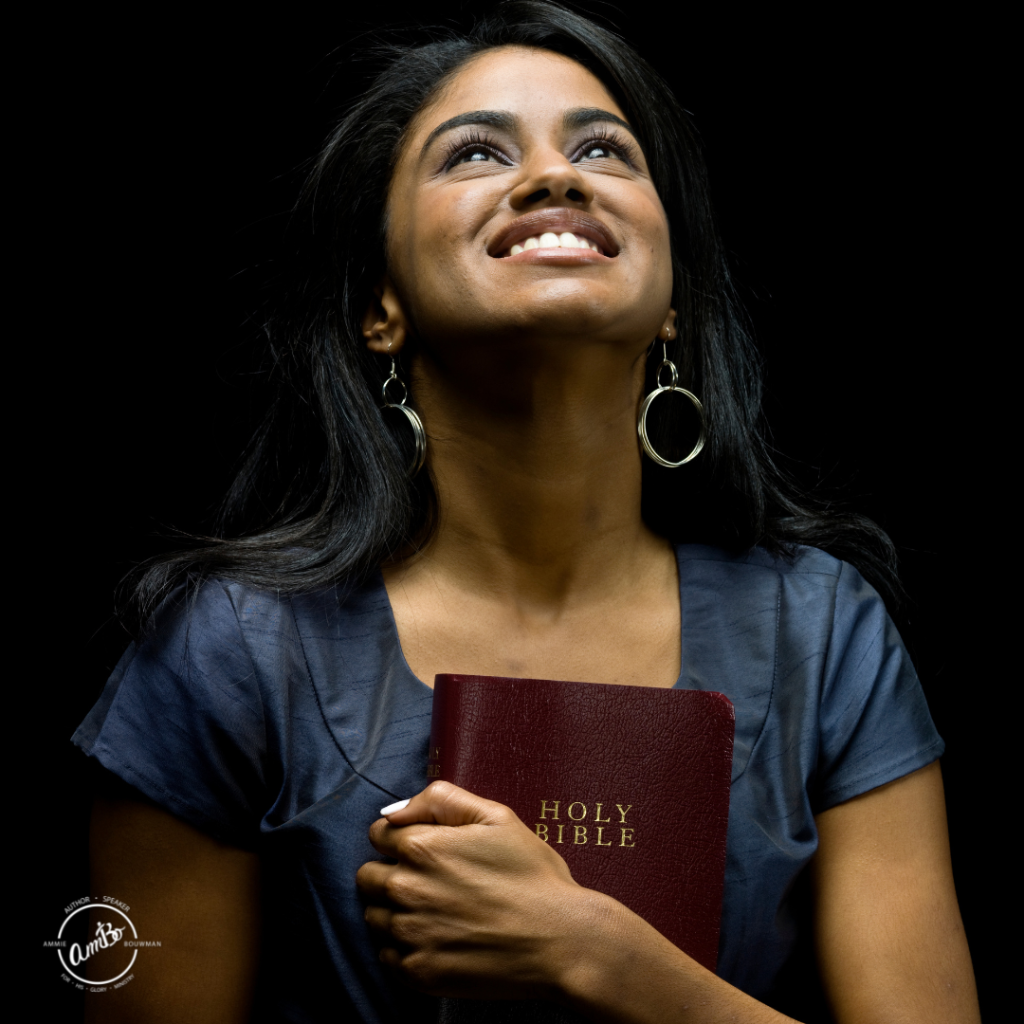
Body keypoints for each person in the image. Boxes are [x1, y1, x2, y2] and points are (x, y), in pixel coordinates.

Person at [75, 3, 980, 1022]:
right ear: (381, 306)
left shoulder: (823, 633)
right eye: (472, 153)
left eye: (604, 148)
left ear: (673, 298)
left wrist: (605, 958)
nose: (556, 176)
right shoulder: (230, 653)